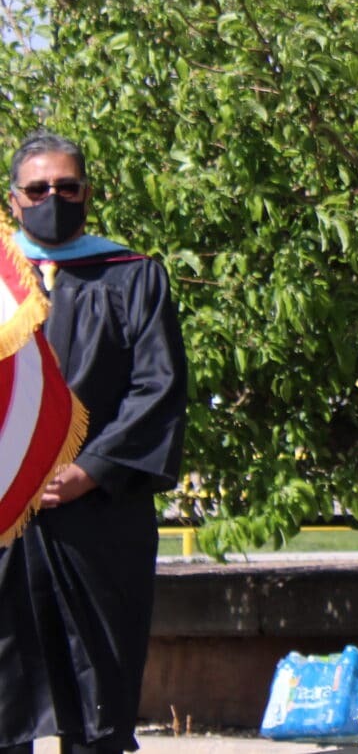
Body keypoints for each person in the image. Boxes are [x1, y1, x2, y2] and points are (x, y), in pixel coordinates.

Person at [0, 131, 187, 754]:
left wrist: (91, 468)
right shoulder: (3, 284)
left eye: (67, 186)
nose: (53, 197)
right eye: (38, 188)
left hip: (98, 517)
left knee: (97, 691)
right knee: (3, 692)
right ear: (14, 198)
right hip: (3, 517)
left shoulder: (132, 276)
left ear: (87, 193)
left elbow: (157, 387)